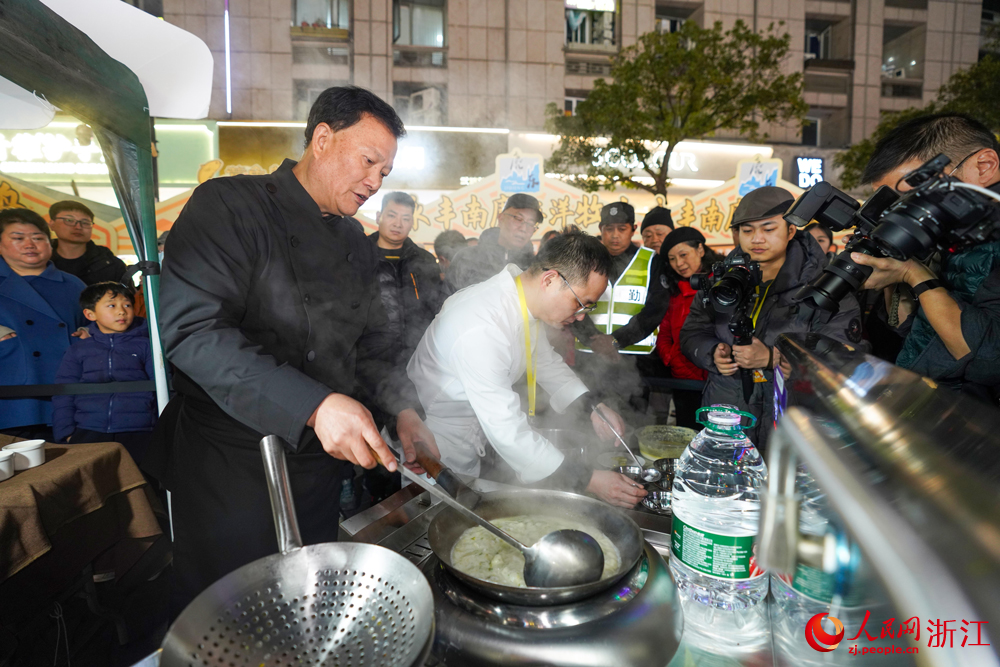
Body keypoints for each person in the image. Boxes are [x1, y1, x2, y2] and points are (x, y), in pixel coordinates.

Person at [148, 86, 438, 616]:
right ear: (322, 140)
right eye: (369, 161)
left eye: (385, 172)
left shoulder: (355, 241)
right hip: (229, 466)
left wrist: (405, 409)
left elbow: (369, 346)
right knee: (229, 617)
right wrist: (314, 404)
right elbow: (193, 330)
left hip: (315, 469)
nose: (376, 182)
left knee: (305, 608)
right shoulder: (230, 205)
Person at [408, 233, 648, 509]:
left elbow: (545, 362)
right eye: (580, 303)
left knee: (464, 512)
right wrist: (588, 479)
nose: (581, 316)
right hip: (435, 441)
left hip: (470, 430)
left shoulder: (521, 305)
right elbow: (506, 428)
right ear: (550, 280)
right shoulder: (482, 324)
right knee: (435, 519)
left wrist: (592, 407)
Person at [680, 186, 863, 449]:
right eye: (747, 231)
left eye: (768, 229)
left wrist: (773, 359)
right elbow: (692, 332)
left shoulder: (825, 287)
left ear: (790, 230)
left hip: (794, 430)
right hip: (726, 422)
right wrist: (712, 352)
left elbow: (846, 358)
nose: (757, 239)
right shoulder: (723, 280)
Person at [853, 112, 1000, 400]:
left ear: (984, 166)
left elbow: (989, 360)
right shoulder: (958, 234)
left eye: (913, 197)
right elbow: (917, 335)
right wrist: (895, 274)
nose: (906, 214)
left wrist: (914, 273)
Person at [0, 208, 87, 440]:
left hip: (68, 390)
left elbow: (95, 323)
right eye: (18, 238)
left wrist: (88, 332)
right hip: (13, 393)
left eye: (38, 238)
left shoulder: (72, 284)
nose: (30, 244)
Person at [52, 282, 156, 463]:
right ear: (90, 314)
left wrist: (162, 429)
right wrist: (66, 433)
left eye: (127, 305)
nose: (122, 311)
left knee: (142, 486)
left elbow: (162, 388)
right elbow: (64, 392)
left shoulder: (148, 346)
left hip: (140, 431)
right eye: (111, 305)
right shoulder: (78, 350)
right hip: (88, 430)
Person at [653, 228, 724, 429]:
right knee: (687, 432)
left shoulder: (724, 283)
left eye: (683, 255)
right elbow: (664, 331)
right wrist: (671, 357)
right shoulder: (674, 290)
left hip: (718, 379)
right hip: (683, 381)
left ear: (700, 249)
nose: (679, 264)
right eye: (672, 259)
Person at [446, 193, 539, 291]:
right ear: (501, 218)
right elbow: (445, 301)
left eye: (530, 223)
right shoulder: (466, 258)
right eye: (518, 219)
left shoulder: (535, 268)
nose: (524, 228)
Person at [47, 201, 126, 285]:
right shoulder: (40, 260)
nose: (78, 227)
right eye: (69, 220)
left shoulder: (111, 265)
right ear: (52, 224)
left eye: (85, 222)